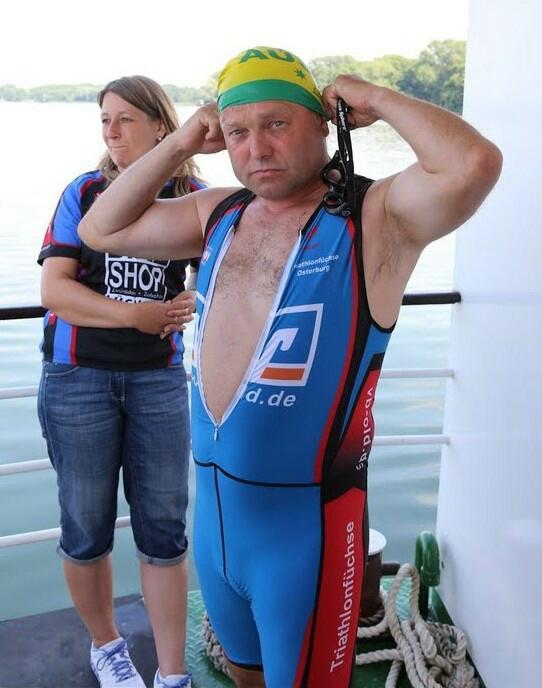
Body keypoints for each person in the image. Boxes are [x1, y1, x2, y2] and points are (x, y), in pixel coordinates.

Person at [79, 47, 502, 688]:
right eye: (238, 132)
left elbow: (474, 164)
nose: (257, 148)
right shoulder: (218, 214)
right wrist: (184, 138)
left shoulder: (375, 217)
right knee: (243, 677)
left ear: (323, 124)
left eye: (277, 124)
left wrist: (376, 99)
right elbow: (101, 230)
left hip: (308, 537)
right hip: (216, 531)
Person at [37, 75, 204, 688]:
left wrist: (195, 295)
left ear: (161, 125)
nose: (110, 130)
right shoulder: (85, 191)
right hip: (78, 379)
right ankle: (107, 648)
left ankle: (172, 672)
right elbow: (55, 291)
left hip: (158, 382)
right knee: (86, 526)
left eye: (125, 118)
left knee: (164, 529)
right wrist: (132, 316)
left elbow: (223, 276)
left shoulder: (193, 197)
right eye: (105, 118)